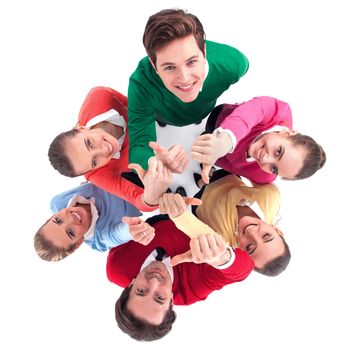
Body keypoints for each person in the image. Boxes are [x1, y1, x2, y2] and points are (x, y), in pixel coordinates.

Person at [128, 8, 249, 171]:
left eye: (191, 62)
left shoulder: (234, 65)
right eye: (170, 67)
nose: (184, 78)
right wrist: (153, 162)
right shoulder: (141, 83)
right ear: (153, 65)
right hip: (163, 117)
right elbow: (139, 146)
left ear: (204, 52)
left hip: (206, 113)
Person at [106, 217, 254, 341]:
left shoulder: (117, 267)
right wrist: (222, 258)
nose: (154, 281)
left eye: (141, 290)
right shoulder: (190, 290)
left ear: (130, 285)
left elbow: (113, 228)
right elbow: (244, 268)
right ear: (171, 300)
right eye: (159, 297)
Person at [48, 86, 172, 211]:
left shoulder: (100, 96)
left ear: (81, 128)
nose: (103, 151)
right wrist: (151, 196)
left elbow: (141, 103)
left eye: (89, 143)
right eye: (94, 161)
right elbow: (138, 200)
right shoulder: (96, 174)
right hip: (154, 163)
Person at [159, 172, 290, 276]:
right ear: (276, 230)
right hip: (223, 174)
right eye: (266, 236)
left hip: (194, 199)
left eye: (250, 247)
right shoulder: (270, 199)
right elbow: (256, 171)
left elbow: (187, 223)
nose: (252, 233)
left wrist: (176, 209)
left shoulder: (222, 243)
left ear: (242, 252)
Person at [191, 96, 326, 184]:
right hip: (221, 115)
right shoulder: (278, 110)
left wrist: (211, 157)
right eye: (278, 151)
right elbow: (245, 117)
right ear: (288, 133)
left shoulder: (264, 177)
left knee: (202, 138)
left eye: (274, 169)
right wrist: (224, 142)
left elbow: (232, 166)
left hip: (215, 147)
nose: (265, 160)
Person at [34, 182, 156, 262]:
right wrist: (130, 230)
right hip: (143, 187)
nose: (71, 219)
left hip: (117, 164)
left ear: (51, 217)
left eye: (58, 220)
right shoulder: (101, 239)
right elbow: (116, 235)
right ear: (78, 243)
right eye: (70, 232)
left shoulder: (58, 202)